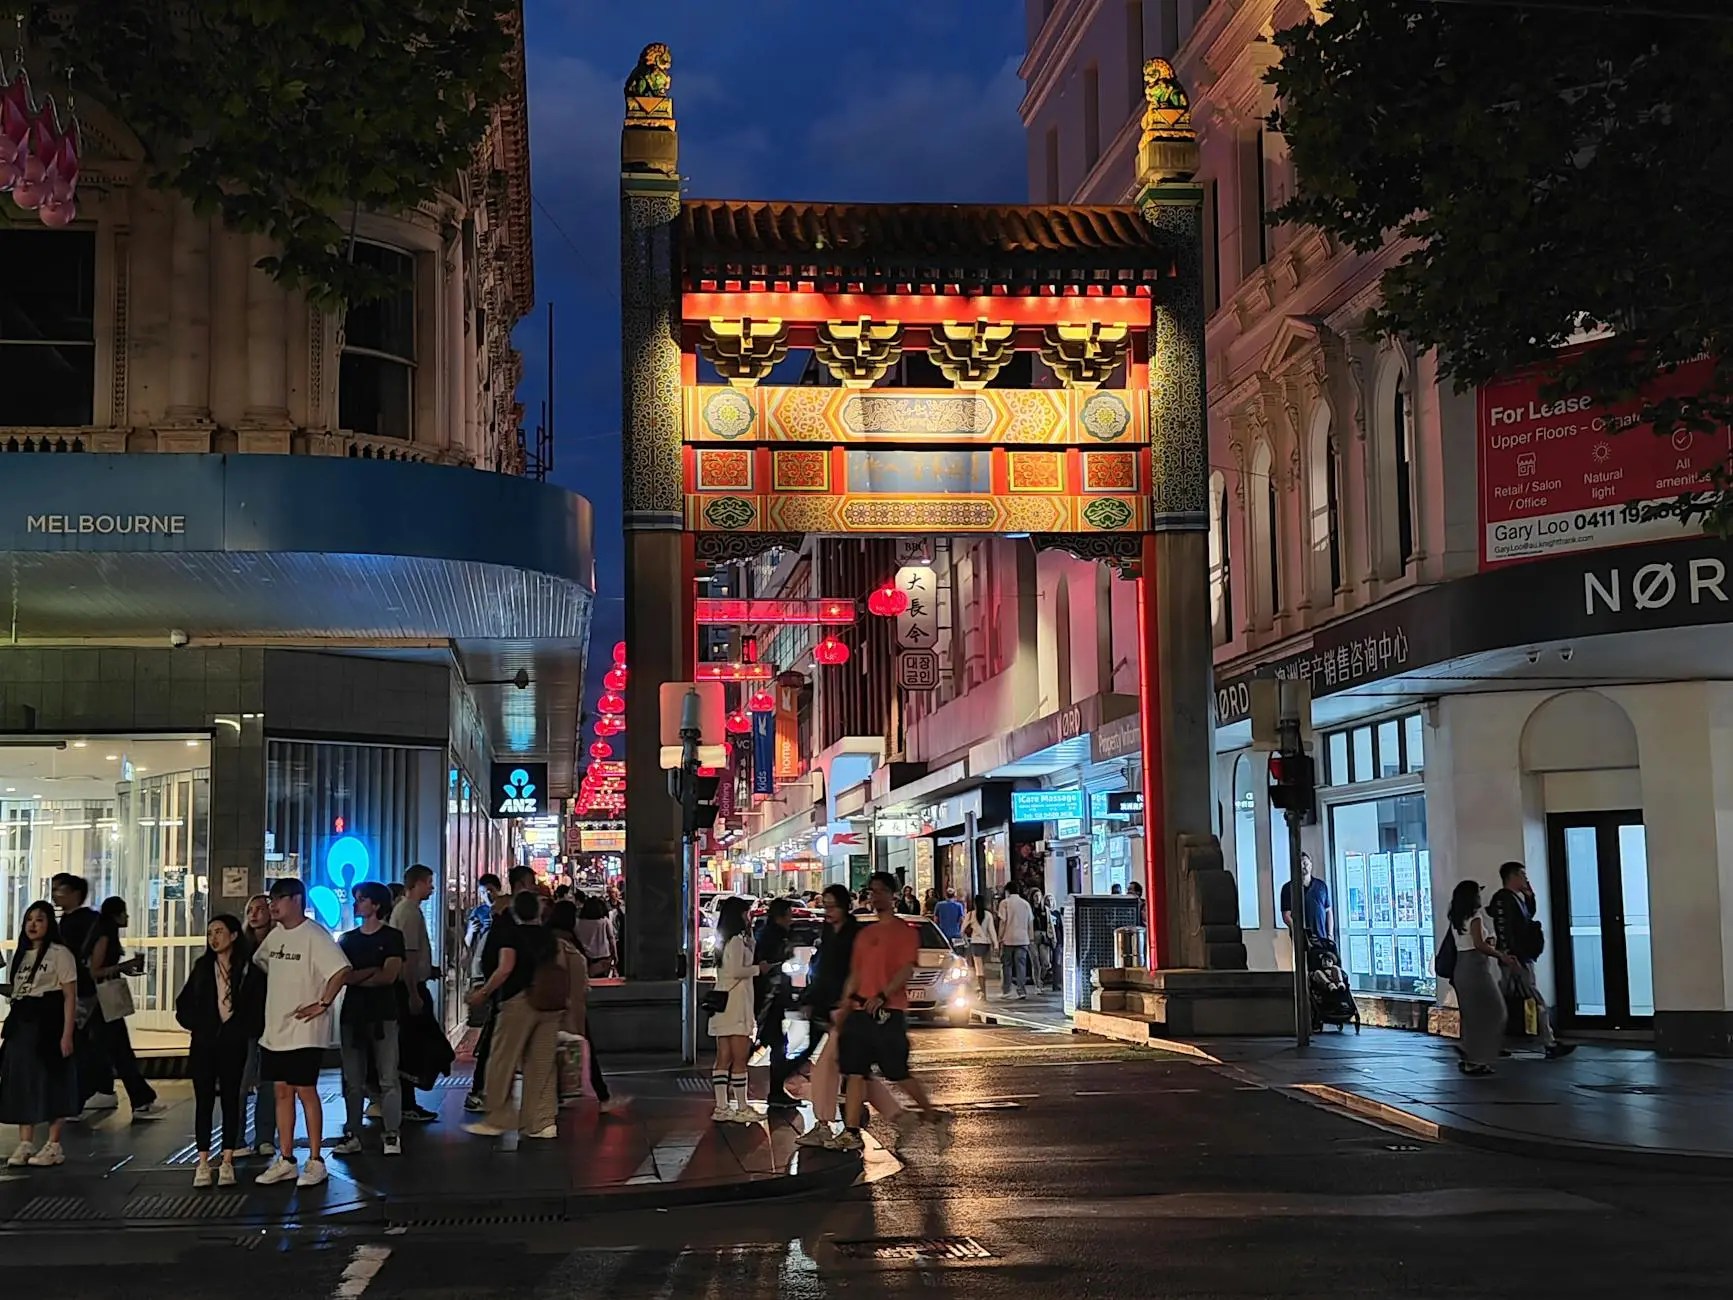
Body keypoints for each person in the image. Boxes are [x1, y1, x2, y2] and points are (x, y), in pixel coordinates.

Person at [253, 877, 353, 1187]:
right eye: (271, 899)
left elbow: (341, 970)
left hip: (305, 1030)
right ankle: (286, 1159)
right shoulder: (274, 936)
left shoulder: (314, 935)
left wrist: (321, 1003)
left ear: (296, 899)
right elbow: (262, 963)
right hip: (275, 1029)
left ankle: (315, 1159)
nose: (273, 905)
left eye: (278, 898)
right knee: (281, 1090)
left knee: (304, 1090)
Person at [837, 873, 947, 1151]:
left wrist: (883, 995)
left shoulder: (904, 932)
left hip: (889, 1012)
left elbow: (906, 969)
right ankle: (851, 1132)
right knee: (854, 1072)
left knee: (896, 1071)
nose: (874, 897)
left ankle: (930, 1115)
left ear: (893, 895)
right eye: (871, 891)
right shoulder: (866, 934)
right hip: (860, 1011)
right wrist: (846, 1002)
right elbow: (856, 971)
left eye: (880, 892)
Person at [464, 891, 564, 1140]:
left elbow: (505, 967)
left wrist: (484, 993)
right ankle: (542, 1122)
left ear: (515, 911)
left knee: (502, 1059)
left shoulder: (511, 934)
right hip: (549, 1004)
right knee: (542, 1063)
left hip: (518, 1001)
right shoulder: (549, 936)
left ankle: (498, 1117)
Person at [175, 913, 265, 1187]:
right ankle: (202, 1161)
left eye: (220, 932)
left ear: (234, 935)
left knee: (232, 1099)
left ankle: (227, 1161)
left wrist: (242, 1030)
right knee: (203, 1100)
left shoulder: (250, 970)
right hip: (203, 1043)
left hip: (233, 1043)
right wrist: (199, 1026)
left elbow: (257, 1010)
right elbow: (184, 1004)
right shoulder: (202, 966)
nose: (214, 938)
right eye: (210, 932)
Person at [1, 901, 78, 1167]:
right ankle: (26, 1142)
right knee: (23, 1082)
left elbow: (70, 996)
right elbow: (18, 990)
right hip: (22, 1023)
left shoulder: (60, 953)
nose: (33, 925)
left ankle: (53, 1144)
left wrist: (67, 1034)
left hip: (49, 1023)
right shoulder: (22, 955)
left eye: (40, 919)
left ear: (50, 924)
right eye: (29, 920)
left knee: (53, 1081)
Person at [334, 882, 406, 1157]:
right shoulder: (348, 939)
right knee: (353, 1080)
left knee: (387, 1077)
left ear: (376, 905)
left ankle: (391, 1133)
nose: (357, 904)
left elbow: (388, 975)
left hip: (382, 1014)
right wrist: (372, 971)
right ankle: (353, 1132)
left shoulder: (391, 937)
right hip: (354, 1015)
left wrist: (358, 975)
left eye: (362, 899)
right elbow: (344, 976)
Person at [1488, 862, 1575, 1060]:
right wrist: (1510, 955)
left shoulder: (1515, 899)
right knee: (1533, 999)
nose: (1526, 879)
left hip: (1519, 957)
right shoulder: (1503, 899)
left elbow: (1529, 916)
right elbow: (1505, 929)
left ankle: (1493, 1042)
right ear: (1512, 876)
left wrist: (1530, 896)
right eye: (1522, 875)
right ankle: (1548, 1042)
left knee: (1502, 1001)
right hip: (1516, 959)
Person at [465, 866, 532, 1113]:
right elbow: (503, 965)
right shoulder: (507, 920)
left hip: (503, 989)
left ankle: (485, 1092)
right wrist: (483, 991)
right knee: (499, 1046)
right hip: (507, 992)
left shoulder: (503, 917)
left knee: (499, 1045)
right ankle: (483, 1092)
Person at [93, 896, 168, 1119]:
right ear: (115, 915)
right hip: (103, 1002)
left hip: (103, 1003)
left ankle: (135, 1098)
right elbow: (95, 970)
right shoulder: (105, 937)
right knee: (120, 1051)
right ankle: (140, 1100)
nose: (127, 917)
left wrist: (123, 969)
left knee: (115, 1051)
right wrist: (126, 965)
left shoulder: (107, 936)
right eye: (124, 913)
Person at [548, 900, 620, 1111]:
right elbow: (562, 973)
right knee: (575, 1050)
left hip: (569, 1006)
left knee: (563, 1051)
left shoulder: (564, 939)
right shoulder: (561, 942)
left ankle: (561, 1095)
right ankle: (600, 1095)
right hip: (567, 1007)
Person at [50, 872, 112, 1113]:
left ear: (75, 893)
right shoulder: (69, 921)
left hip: (83, 991)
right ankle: (101, 1090)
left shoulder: (81, 922)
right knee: (98, 1043)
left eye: (60, 889)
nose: (55, 894)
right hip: (83, 990)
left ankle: (84, 1094)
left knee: (84, 1044)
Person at [390, 865, 444, 1123]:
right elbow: (409, 956)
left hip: (412, 985)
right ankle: (406, 1103)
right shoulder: (409, 912)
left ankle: (407, 1101)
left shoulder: (407, 911)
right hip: (410, 988)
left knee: (412, 1045)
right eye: (429, 882)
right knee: (415, 1046)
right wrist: (413, 991)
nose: (432, 888)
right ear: (418, 883)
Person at [1447, 879, 1518, 1076]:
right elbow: (1478, 944)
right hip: (1476, 968)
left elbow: (1467, 941)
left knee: (1472, 1015)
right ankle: (1478, 1057)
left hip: (1461, 967)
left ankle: (1471, 1054)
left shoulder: (1455, 918)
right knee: (1496, 1011)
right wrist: (1500, 954)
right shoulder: (1476, 917)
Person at [707, 896, 763, 1123]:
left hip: (722, 1005)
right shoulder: (737, 941)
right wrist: (759, 969)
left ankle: (722, 1106)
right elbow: (738, 970)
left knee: (723, 1057)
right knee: (740, 1058)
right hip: (737, 1004)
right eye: (746, 913)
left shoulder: (723, 940)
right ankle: (741, 1107)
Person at [240, 893, 277, 1156]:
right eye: (250, 910)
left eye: (259, 909)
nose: (254, 914)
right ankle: (236, 1137)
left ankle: (265, 1137)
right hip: (248, 1020)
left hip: (275, 1018)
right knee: (241, 1080)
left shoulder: (280, 944)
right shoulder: (241, 948)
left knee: (270, 1081)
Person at [753, 896, 798, 1110]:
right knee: (776, 1044)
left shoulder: (773, 934)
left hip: (773, 999)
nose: (791, 919)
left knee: (773, 1043)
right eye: (789, 915)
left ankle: (777, 1090)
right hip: (769, 998)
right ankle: (776, 1091)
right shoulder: (771, 936)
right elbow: (764, 966)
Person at [1279, 852, 1333, 939]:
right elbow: (1286, 916)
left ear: (1311, 865)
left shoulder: (1321, 886)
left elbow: (1328, 911)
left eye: (1305, 863)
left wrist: (1330, 934)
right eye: (1300, 864)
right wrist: (1298, 931)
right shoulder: (1288, 888)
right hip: (1300, 940)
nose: (1303, 866)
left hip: (1322, 937)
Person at [996, 881, 1034, 1000]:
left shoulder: (1005, 903)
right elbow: (1030, 922)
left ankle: (1007, 990)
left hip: (1008, 938)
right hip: (1023, 939)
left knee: (1007, 965)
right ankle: (1021, 990)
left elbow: (1003, 922)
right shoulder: (1025, 904)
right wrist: (1030, 937)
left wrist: (999, 937)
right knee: (1021, 965)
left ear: (1007, 891)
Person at [960, 895, 998, 1001]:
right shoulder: (988, 915)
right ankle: (983, 992)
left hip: (976, 943)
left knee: (979, 969)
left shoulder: (971, 915)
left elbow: (962, 930)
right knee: (984, 969)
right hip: (986, 944)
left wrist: (966, 941)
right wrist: (995, 944)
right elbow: (992, 931)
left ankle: (982, 993)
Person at [576, 894, 618, 979]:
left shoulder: (578, 922)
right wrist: (615, 954)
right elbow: (611, 938)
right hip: (603, 956)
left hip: (584, 956)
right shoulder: (604, 921)